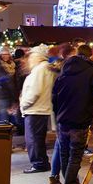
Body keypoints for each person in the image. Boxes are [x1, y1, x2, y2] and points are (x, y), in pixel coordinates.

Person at [52, 44, 93, 184]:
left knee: (65, 154)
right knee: (75, 156)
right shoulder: (91, 71)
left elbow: (54, 95)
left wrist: (59, 112)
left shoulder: (64, 70)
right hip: (80, 119)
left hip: (63, 119)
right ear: (90, 56)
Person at [20, 44, 58, 174]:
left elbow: (35, 91)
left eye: (31, 56)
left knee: (33, 139)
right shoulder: (44, 68)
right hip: (39, 108)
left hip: (35, 109)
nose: (29, 59)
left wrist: (24, 104)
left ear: (37, 56)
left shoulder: (40, 69)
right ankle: (41, 162)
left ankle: (39, 163)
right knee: (37, 138)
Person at [48, 43, 76, 184]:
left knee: (61, 145)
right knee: (62, 146)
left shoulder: (57, 67)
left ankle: (56, 177)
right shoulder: (64, 68)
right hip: (64, 110)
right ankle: (61, 179)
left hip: (59, 109)